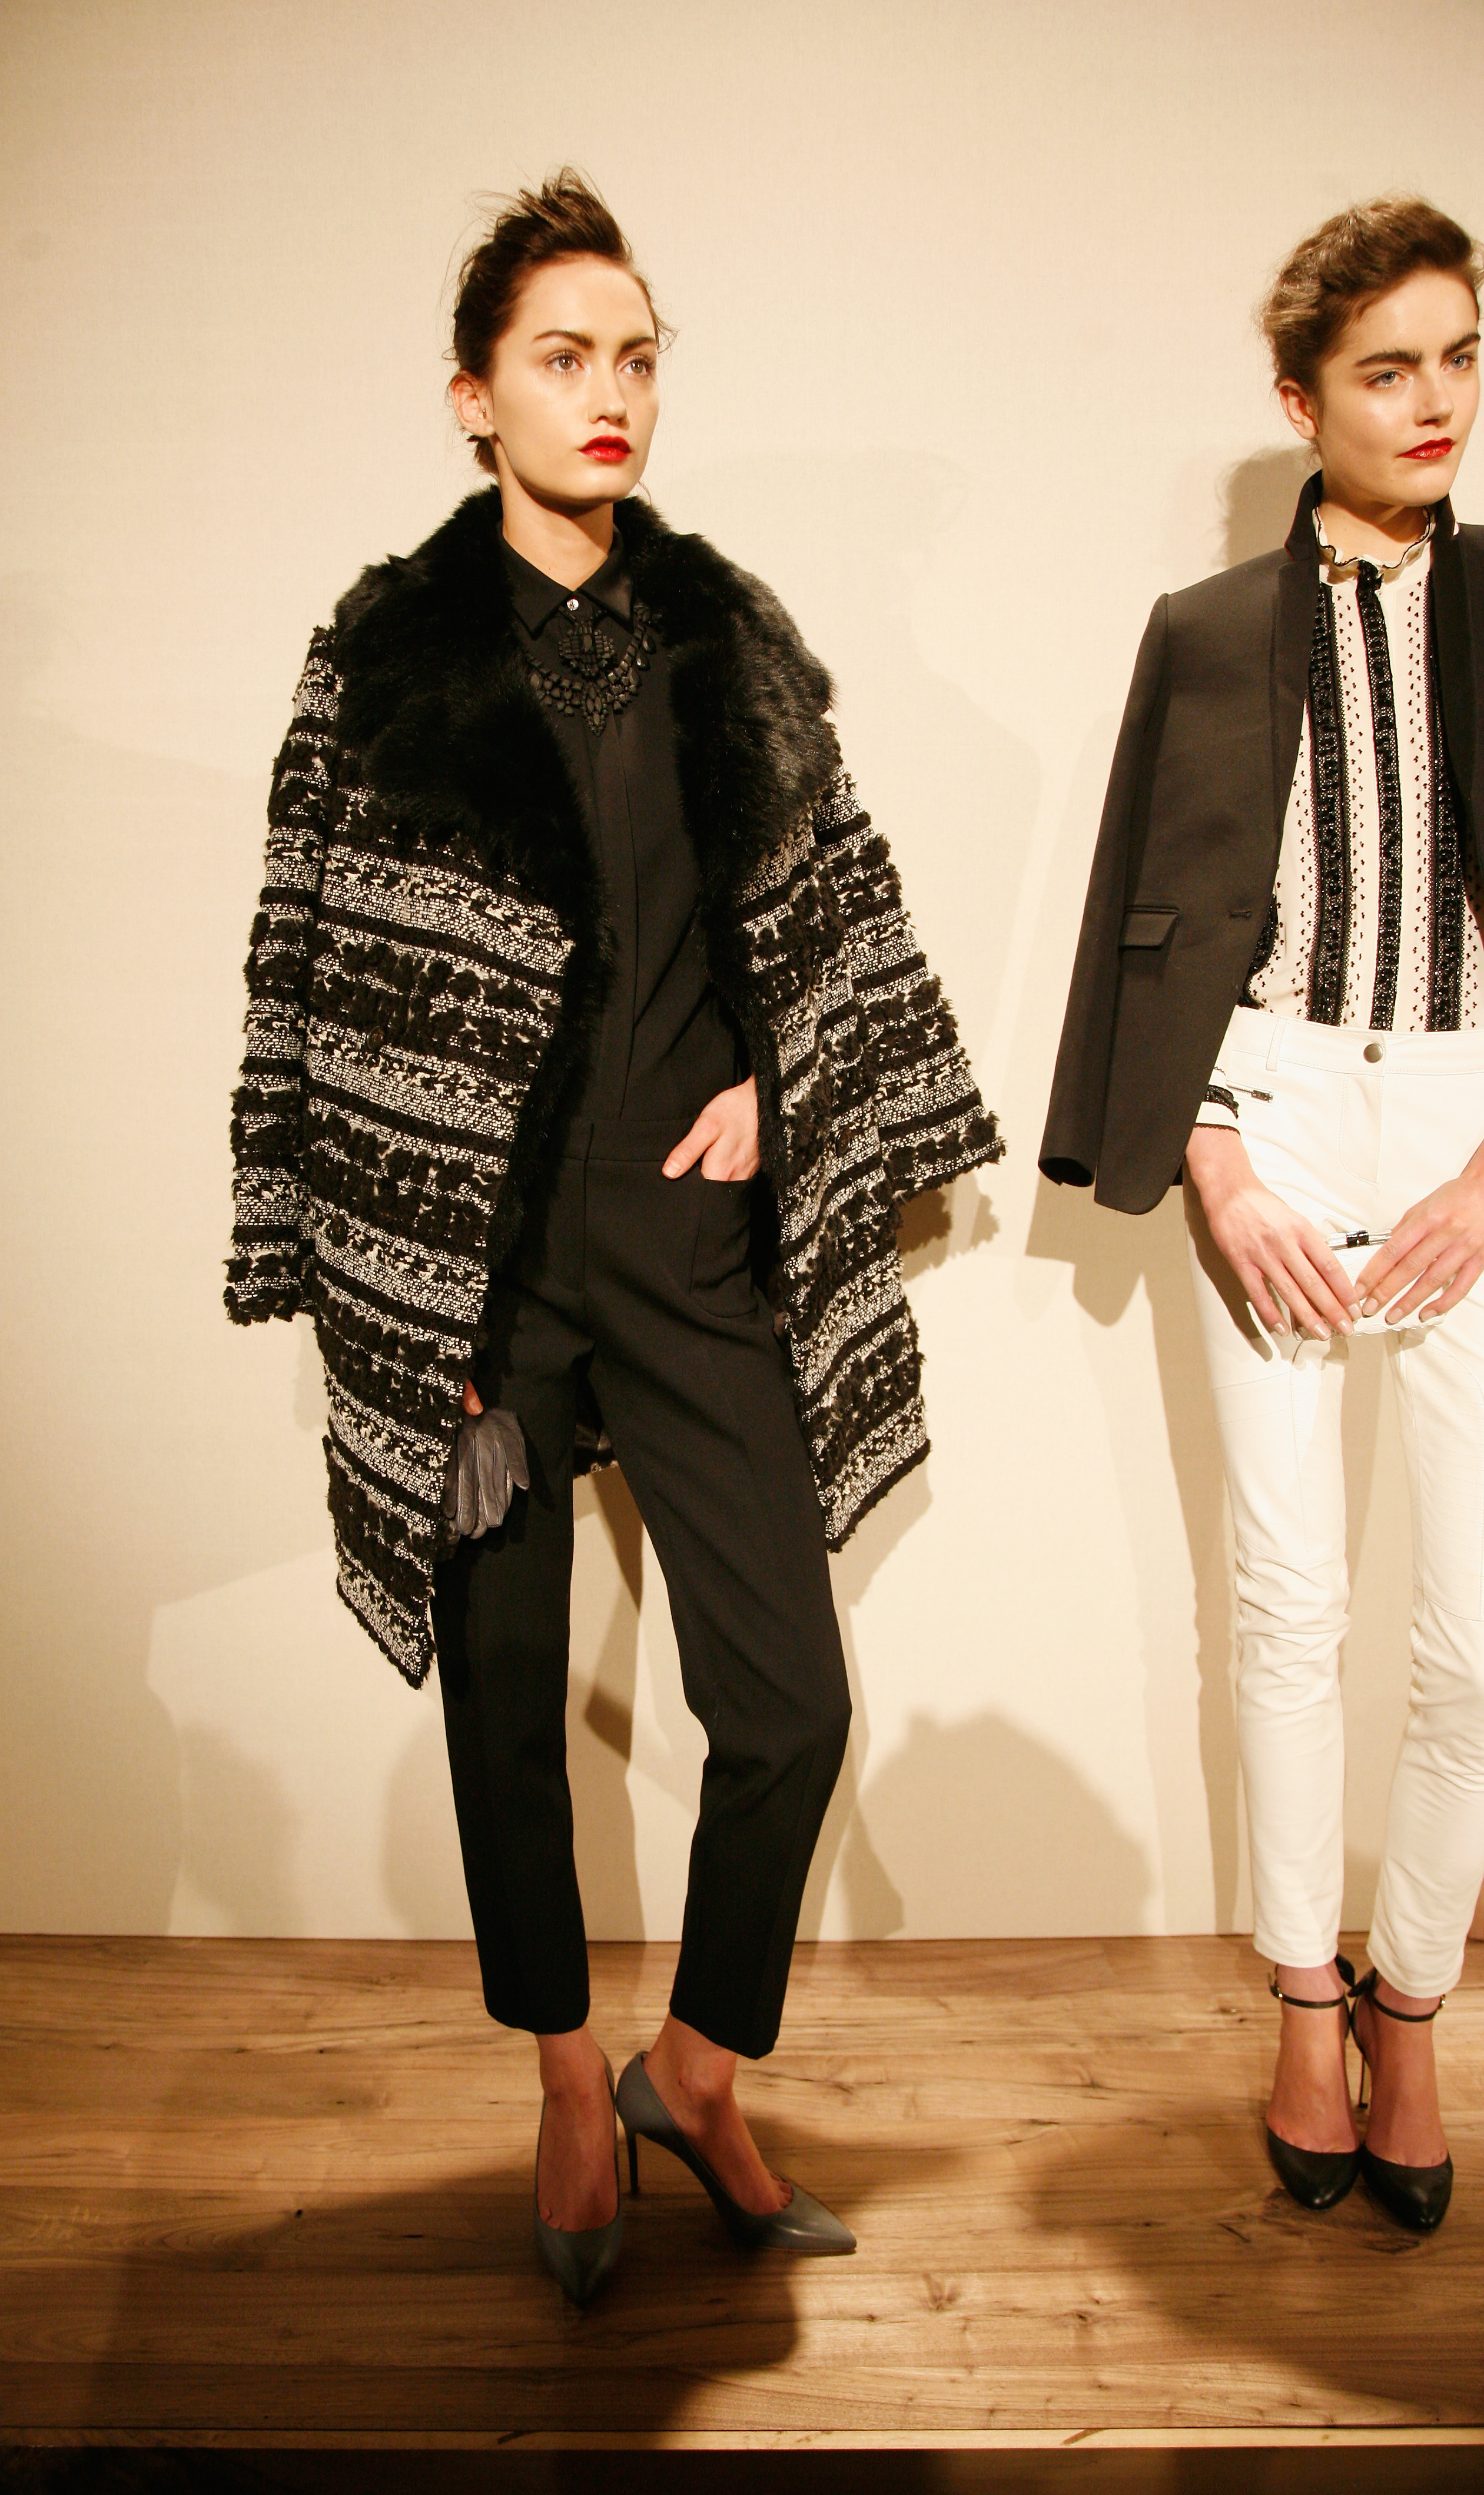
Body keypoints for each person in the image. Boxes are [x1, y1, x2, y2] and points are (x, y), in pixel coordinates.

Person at [228, 172, 1000, 2300]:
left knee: (792, 1705)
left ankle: (697, 2071)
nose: (612, 394)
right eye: (564, 356)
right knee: (505, 1702)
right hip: (478, 1274)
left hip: (689, 1247)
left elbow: (837, 938)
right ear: (472, 395)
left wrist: (785, 1089)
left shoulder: (730, 643)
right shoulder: (384, 658)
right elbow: (307, 967)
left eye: (639, 356)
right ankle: (571, 2083)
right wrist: (358, 1249)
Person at [1042, 197, 1484, 2232]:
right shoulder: (1211, 630)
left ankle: (1417, 2008)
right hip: (1279, 1114)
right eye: (1389, 369)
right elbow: (1147, 916)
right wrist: (1212, 1159)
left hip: (1472, 1125)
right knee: (1290, 1601)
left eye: (1460, 358)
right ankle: (1307, 1999)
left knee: (1472, 1629)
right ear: (1301, 400)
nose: (1436, 402)